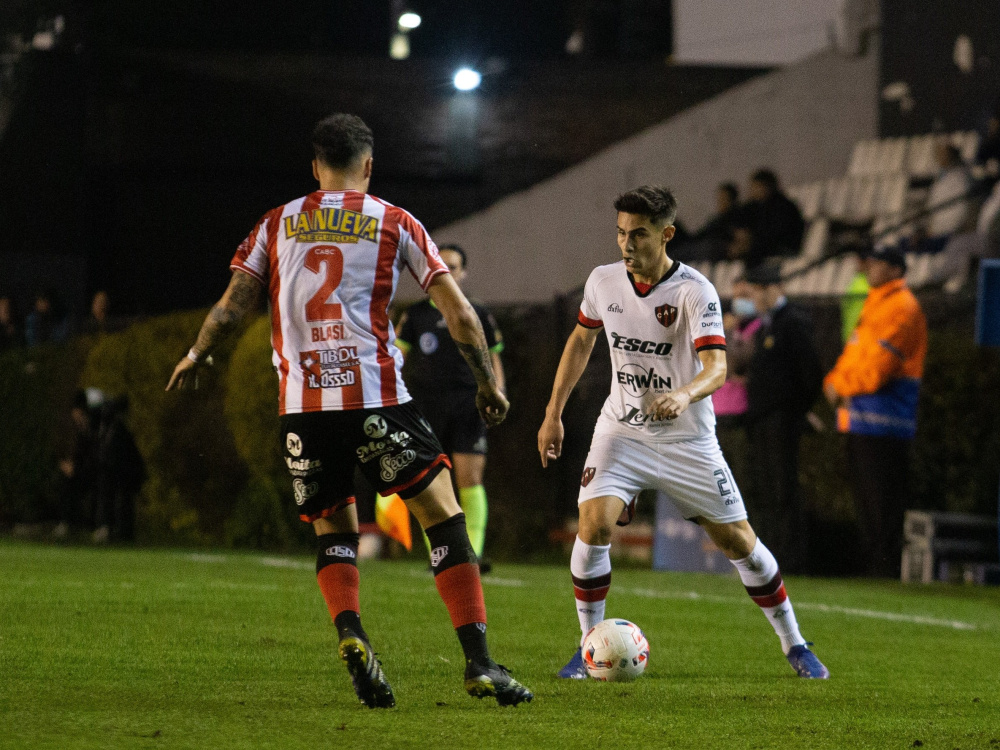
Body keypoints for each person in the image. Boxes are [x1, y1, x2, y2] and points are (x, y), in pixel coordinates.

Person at [165, 113, 531, 708]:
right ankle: (480, 661)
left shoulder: (277, 222)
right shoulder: (394, 221)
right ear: (368, 165)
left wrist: (197, 353)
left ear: (315, 167)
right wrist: (487, 383)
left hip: (302, 408)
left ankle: (352, 633)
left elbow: (233, 303)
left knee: (335, 529)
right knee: (441, 514)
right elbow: (461, 314)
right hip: (374, 397)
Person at [537, 185, 829, 680]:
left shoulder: (695, 291)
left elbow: (716, 367)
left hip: (686, 439)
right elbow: (582, 340)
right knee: (593, 526)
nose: (627, 244)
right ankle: (588, 646)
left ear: (667, 234)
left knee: (740, 543)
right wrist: (553, 412)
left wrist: (683, 394)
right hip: (622, 430)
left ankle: (795, 643)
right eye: (621, 233)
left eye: (640, 234)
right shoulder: (602, 281)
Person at [396, 244, 505, 567]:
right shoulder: (416, 315)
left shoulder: (478, 313)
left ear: (464, 272)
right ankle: (441, 552)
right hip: (425, 406)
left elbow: (494, 358)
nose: (448, 271)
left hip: (468, 404)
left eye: (454, 266)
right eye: (441, 265)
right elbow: (396, 359)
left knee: (469, 478)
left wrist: (498, 392)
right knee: (429, 480)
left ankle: (473, 551)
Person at [824, 243, 927, 578]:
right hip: (861, 418)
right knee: (868, 502)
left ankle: (883, 571)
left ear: (896, 270)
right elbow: (854, 354)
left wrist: (842, 387)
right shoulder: (876, 303)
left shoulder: (902, 306)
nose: (870, 268)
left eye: (878, 263)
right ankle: (874, 568)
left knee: (882, 501)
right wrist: (835, 381)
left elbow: (880, 366)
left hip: (885, 422)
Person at [738, 261, 824, 574]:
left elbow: (810, 372)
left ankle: (791, 559)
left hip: (779, 420)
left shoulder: (791, 322)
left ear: (774, 288)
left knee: (783, 489)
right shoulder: (769, 323)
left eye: (759, 290)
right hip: (762, 420)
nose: (755, 297)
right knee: (768, 489)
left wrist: (796, 411)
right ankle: (771, 557)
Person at [729, 169, 805, 268]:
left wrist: (749, 243)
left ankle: (754, 279)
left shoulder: (784, 207)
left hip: (783, 247)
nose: (752, 191)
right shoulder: (756, 206)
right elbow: (740, 219)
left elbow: (775, 235)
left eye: (755, 187)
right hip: (766, 246)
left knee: (753, 252)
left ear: (766, 187)